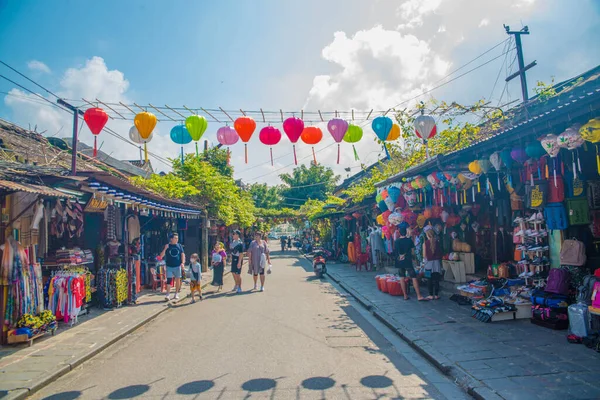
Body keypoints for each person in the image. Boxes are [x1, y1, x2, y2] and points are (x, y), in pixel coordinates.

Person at [394, 226, 427, 301]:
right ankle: (419, 295)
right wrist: (414, 259)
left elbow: (395, 251)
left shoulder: (396, 241)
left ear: (399, 233)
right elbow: (413, 251)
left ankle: (405, 295)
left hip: (399, 261)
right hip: (408, 261)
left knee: (402, 277)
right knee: (413, 277)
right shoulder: (409, 240)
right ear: (406, 232)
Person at [159, 233, 185, 301]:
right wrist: (165, 249)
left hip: (177, 265)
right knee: (169, 280)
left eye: (177, 238)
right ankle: (167, 294)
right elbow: (161, 256)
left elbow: (182, 255)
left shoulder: (179, 246)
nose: (177, 239)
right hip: (169, 266)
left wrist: (182, 263)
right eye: (175, 238)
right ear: (171, 239)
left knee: (178, 280)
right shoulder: (167, 246)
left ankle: (176, 293)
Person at [423, 228, 443, 300]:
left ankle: (431, 295)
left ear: (427, 235)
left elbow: (424, 255)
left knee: (429, 279)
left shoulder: (425, 243)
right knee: (436, 279)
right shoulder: (437, 242)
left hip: (428, 264)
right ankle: (437, 295)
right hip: (437, 264)